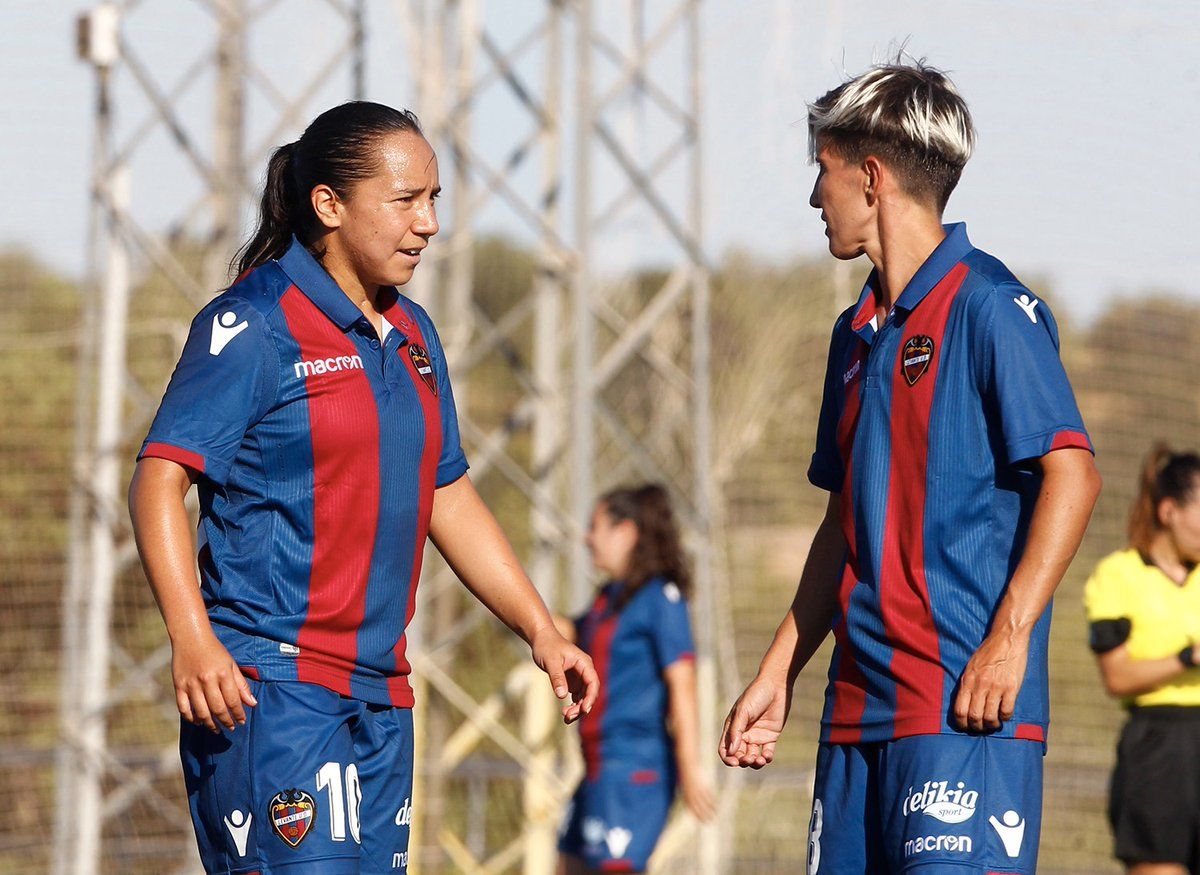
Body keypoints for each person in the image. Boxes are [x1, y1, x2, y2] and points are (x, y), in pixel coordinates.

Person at [127, 101, 598, 875]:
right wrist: (191, 636)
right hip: (272, 692)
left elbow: (446, 494)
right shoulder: (254, 323)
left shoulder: (413, 333)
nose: (428, 223)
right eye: (406, 200)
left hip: (382, 698)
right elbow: (158, 480)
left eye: (435, 199)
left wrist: (541, 630)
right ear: (330, 205)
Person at [718, 60, 1102, 873]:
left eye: (820, 173)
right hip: (856, 715)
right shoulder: (852, 333)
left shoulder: (990, 305)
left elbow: (1073, 471)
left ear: (870, 175)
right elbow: (841, 524)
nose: (813, 197)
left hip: (961, 706)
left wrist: (1010, 639)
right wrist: (779, 670)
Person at [555, 484, 715, 875]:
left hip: (634, 768)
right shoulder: (607, 599)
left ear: (626, 532)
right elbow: (565, 632)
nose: (587, 538)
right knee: (567, 863)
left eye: (596, 527)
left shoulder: (661, 597)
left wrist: (691, 767)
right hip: (596, 767)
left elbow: (683, 683)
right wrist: (505, 600)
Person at [1085, 446, 1200, 875]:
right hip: (1160, 751)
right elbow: (1117, 677)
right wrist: (1187, 657)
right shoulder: (1117, 576)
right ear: (1170, 511)